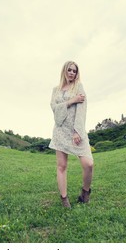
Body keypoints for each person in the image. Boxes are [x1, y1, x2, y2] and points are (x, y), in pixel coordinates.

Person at [49, 61, 94, 208]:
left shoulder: (78, 87)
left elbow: (82, 109)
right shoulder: (55, 90)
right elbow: (54, 109)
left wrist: (77, 131)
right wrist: (71, 101)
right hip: (60, 131)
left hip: (76, 132)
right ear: (64, 70)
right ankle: (64, 199)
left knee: (88, 164)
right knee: (61, 166)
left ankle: (85, 193)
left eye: (74, 71)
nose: (72, 73)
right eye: (69, 70)